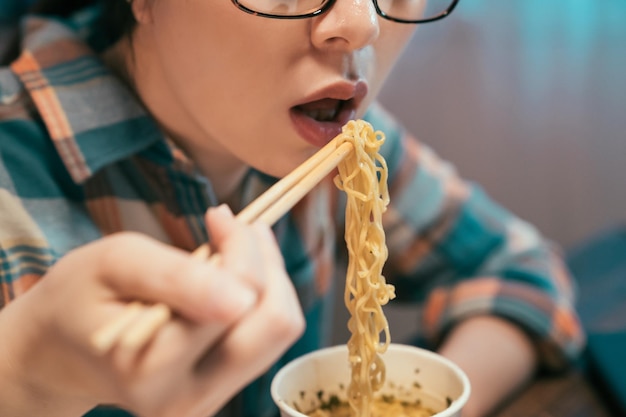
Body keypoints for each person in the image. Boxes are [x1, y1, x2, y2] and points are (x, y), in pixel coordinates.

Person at [0, 1, 584, 417]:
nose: (361, 24)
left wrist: (448, 406)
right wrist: (26, 375)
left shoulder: (345, 143)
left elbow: (522, 272)